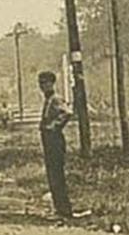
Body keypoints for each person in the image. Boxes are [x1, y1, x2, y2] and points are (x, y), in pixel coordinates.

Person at [38, 71, 74, 219]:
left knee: (56, 174)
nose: (43, 86)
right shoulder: (48, 100)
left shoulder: (55, 99)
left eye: (46, 83)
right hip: (48, 140)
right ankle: (59, 208)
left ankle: (63, 210)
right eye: (41, 84)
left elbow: (67, 112)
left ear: (52, 83)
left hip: (55, 140)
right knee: (52, 174)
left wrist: (54, 126)